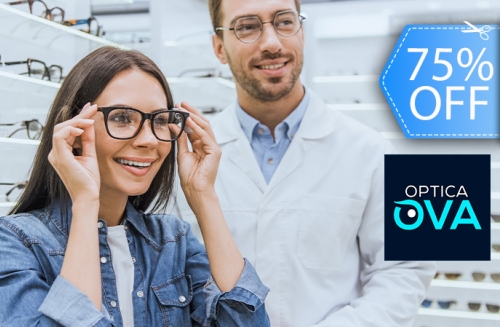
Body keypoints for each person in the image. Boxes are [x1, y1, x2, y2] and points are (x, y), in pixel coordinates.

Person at [173, 0, 437, 326]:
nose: (271, 43)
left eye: (284, 21)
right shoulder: (184, 161)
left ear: (302, 30)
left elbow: (405, 269)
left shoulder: (373, 151)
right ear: (219, 47)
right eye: (247, 27)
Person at [0, 46, 270, 327]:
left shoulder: (173, 239)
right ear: (76, 130)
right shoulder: (13, 241)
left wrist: (203, 195)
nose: (149, 140)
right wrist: (85, 204)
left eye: (159, 121)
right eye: (121, 118)